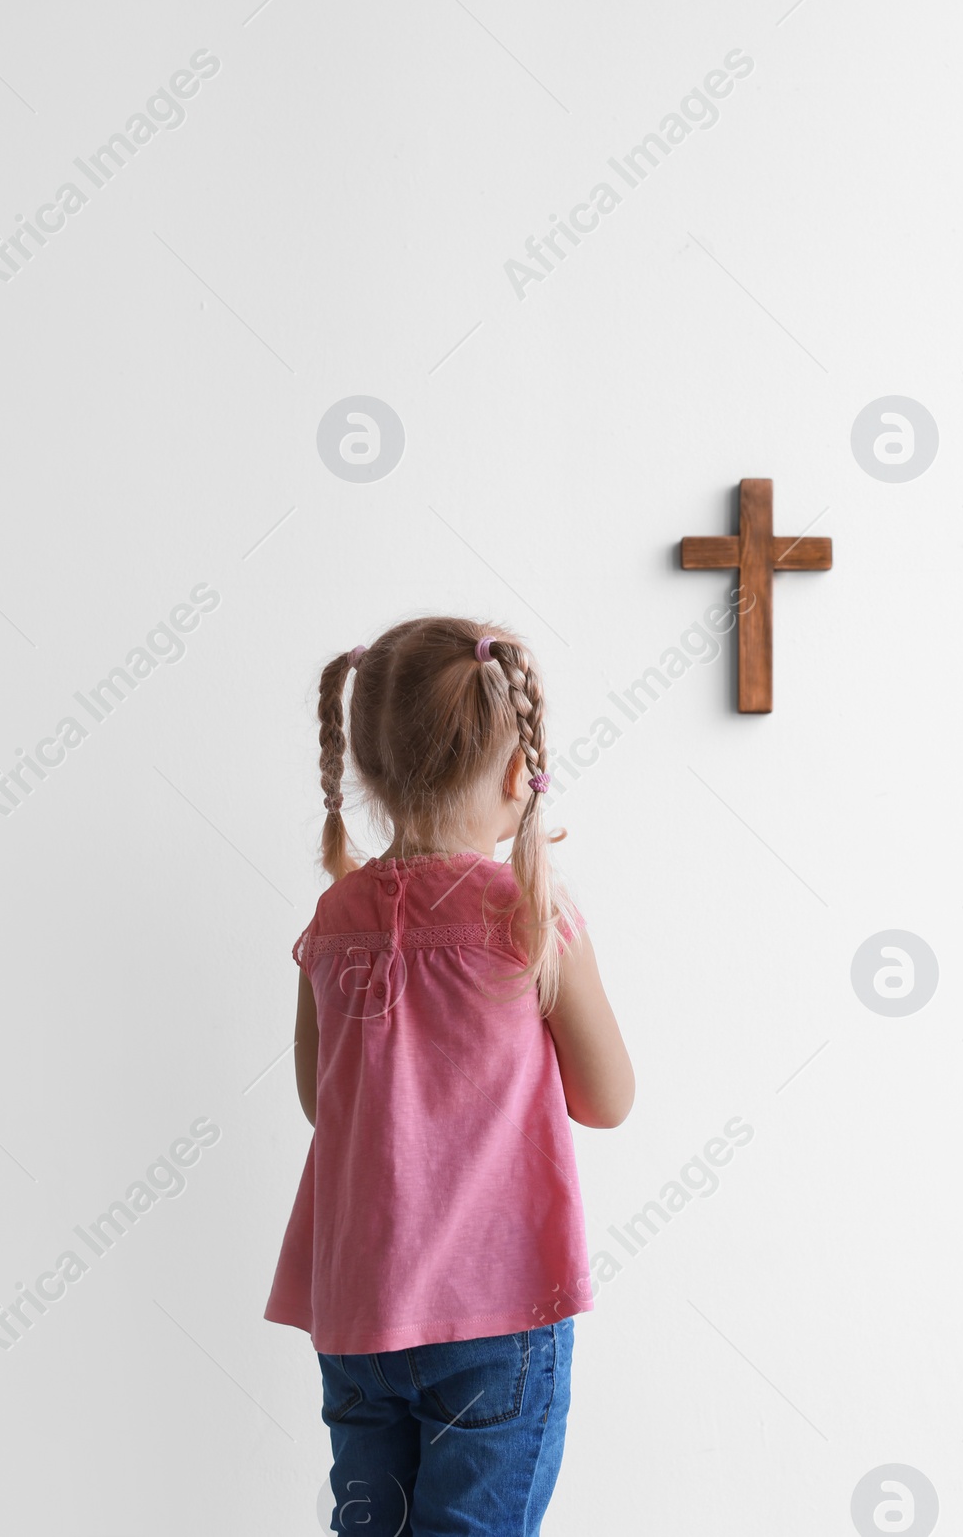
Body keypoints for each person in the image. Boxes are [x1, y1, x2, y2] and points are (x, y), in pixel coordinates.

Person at [266, 617, 634, 1537]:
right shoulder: (529, 916)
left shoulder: (335, 915)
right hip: (499, 1315)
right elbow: (609, 1099)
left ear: (367, 770)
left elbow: (322, 1103)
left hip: (358, 1320)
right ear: (521, 775)